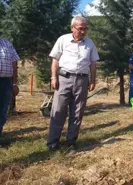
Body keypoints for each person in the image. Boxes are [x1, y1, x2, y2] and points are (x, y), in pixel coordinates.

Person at [47, 16, 100, 153]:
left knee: (77, 112)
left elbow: (93, 63)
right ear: (72, 28)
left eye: (85, 29)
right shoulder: (63, 39)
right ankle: (53, 142)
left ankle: (71, 142)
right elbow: (55, 60)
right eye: (80, 28)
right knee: (58, 111)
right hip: (64, 78)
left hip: (82, 80)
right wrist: (53, 77)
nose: (83, 31)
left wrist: (93, 80)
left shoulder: (90, 43)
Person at [0, 37, 20, 147]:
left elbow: (14, 62)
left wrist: (14, 83)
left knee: (2, 112)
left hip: (6, 82)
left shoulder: (6, 43)